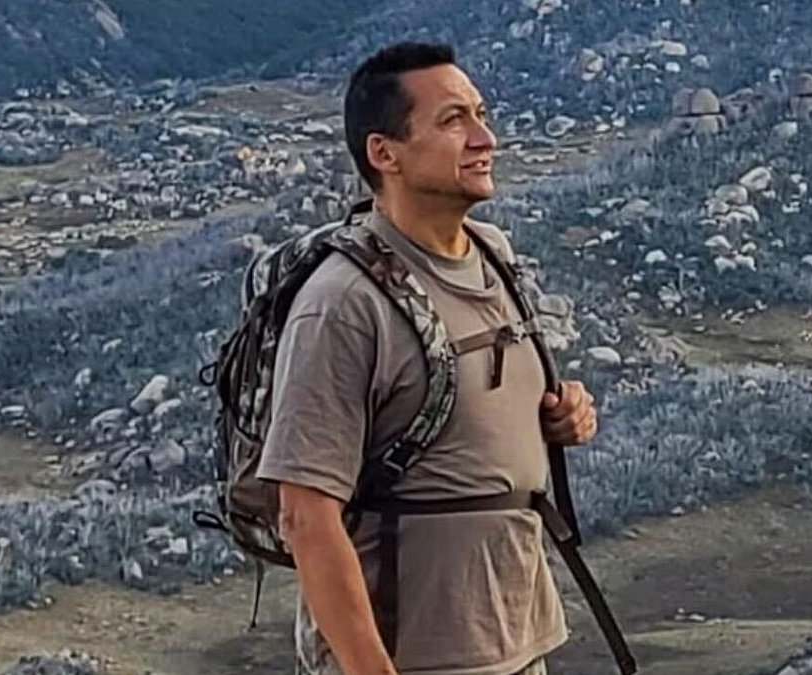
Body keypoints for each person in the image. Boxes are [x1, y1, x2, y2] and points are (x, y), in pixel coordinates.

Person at [255, 41, 599, 675]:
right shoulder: (343, 304)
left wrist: (560, 416)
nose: (485, 138)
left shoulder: (493, 256)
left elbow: (472, 413)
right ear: (384, 153)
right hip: (414, 658)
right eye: (453, 120)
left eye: (481, 114)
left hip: (518, 644)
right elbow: (305, 515)